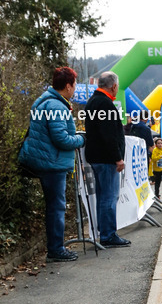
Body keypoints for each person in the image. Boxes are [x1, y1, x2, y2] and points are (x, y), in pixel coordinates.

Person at [19, 66, 85, 262]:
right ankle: (56, 250)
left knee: (53, 206)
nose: (74, 89)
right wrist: (81, 140)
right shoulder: (56, 106)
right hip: (52, 163)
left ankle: (55, 248)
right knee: (57, 207)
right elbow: (61, 139)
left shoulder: (45, 101)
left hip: (46, 160)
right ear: (67, 86)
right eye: (74, 85)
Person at [83, 72, 130, 247]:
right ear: (114, 86)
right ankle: (108, 235)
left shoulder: (93, 101)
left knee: (103, 197)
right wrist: (118, 158)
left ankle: (105, 233)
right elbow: (109, 135)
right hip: (106, 158)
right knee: (109, 197)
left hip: (96, 156)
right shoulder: (105, 103)